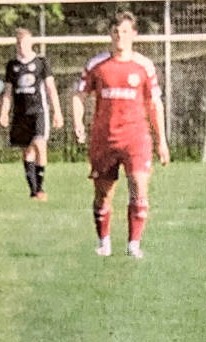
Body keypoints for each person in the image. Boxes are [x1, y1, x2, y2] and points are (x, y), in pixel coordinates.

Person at [72, 11, 170, 258]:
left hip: (136, 138)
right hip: (104, 139)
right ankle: (104, 242)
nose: (120, 36)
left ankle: (133, 245)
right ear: (110, 34)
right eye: (116, 32)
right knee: (103, 194)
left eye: (125, 31)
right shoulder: (97, 65)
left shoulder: (144, 66)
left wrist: (162, 142)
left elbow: (154, 105)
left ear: (134, 34)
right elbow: (79, 95)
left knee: (138, 185)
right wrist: (78, 122)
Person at [0, 28, 64, 201]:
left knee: (40, 145)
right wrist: (4, 112)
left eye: (25, 43)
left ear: (31, 43)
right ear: (16, 45)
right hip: (20, 114)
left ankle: (41, 188)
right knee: (27, 152)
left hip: (39, 111)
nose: (22, 47)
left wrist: (57, 111)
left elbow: (51, 88)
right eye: (19, 43)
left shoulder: (41, 63)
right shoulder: (12, 66)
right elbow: (7, 91)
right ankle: (33, 190)